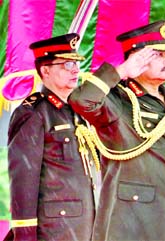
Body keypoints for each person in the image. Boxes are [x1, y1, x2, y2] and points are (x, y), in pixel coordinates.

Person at [68, 20, 165, 240]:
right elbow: (80, 100)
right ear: (137, 58)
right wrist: (123, 70)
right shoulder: (118, 100)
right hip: (132, 224)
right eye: (159, 55)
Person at [6, 33, 96, 241]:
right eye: (66, 65)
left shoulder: (78, 111)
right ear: (45, 70)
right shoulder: (34, 113)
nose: (75, 70)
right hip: (54, 231)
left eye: (76, 64)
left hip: (87, 228)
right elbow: (23, 181)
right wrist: (25, 235)